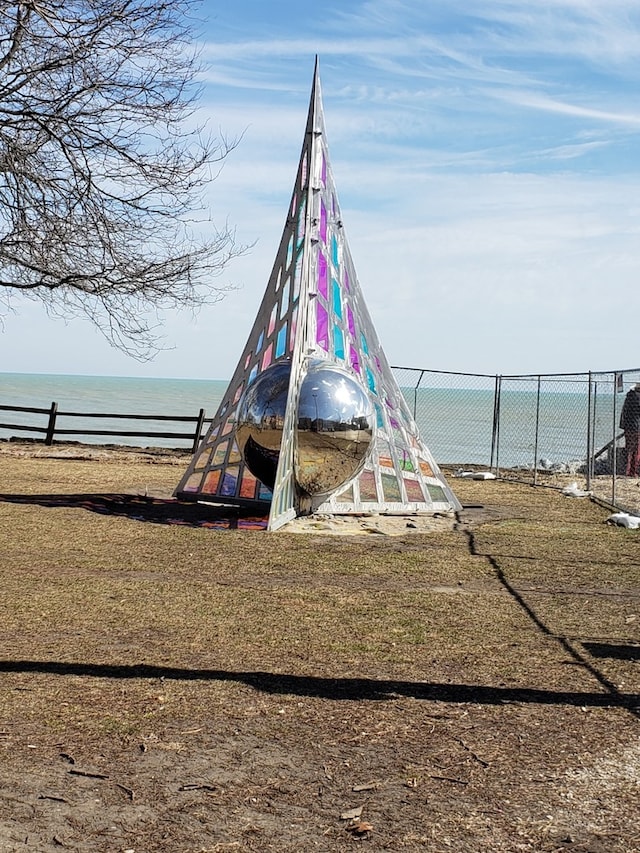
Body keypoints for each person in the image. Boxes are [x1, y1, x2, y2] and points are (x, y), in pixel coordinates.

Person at [620, 382, 640, 477]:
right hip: (637, 427)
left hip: (628, 427)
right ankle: (633, 472)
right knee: (636, 451)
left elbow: (624, 412)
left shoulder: (629, 397)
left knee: (629, 449)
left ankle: (628, 471)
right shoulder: (638, 397)